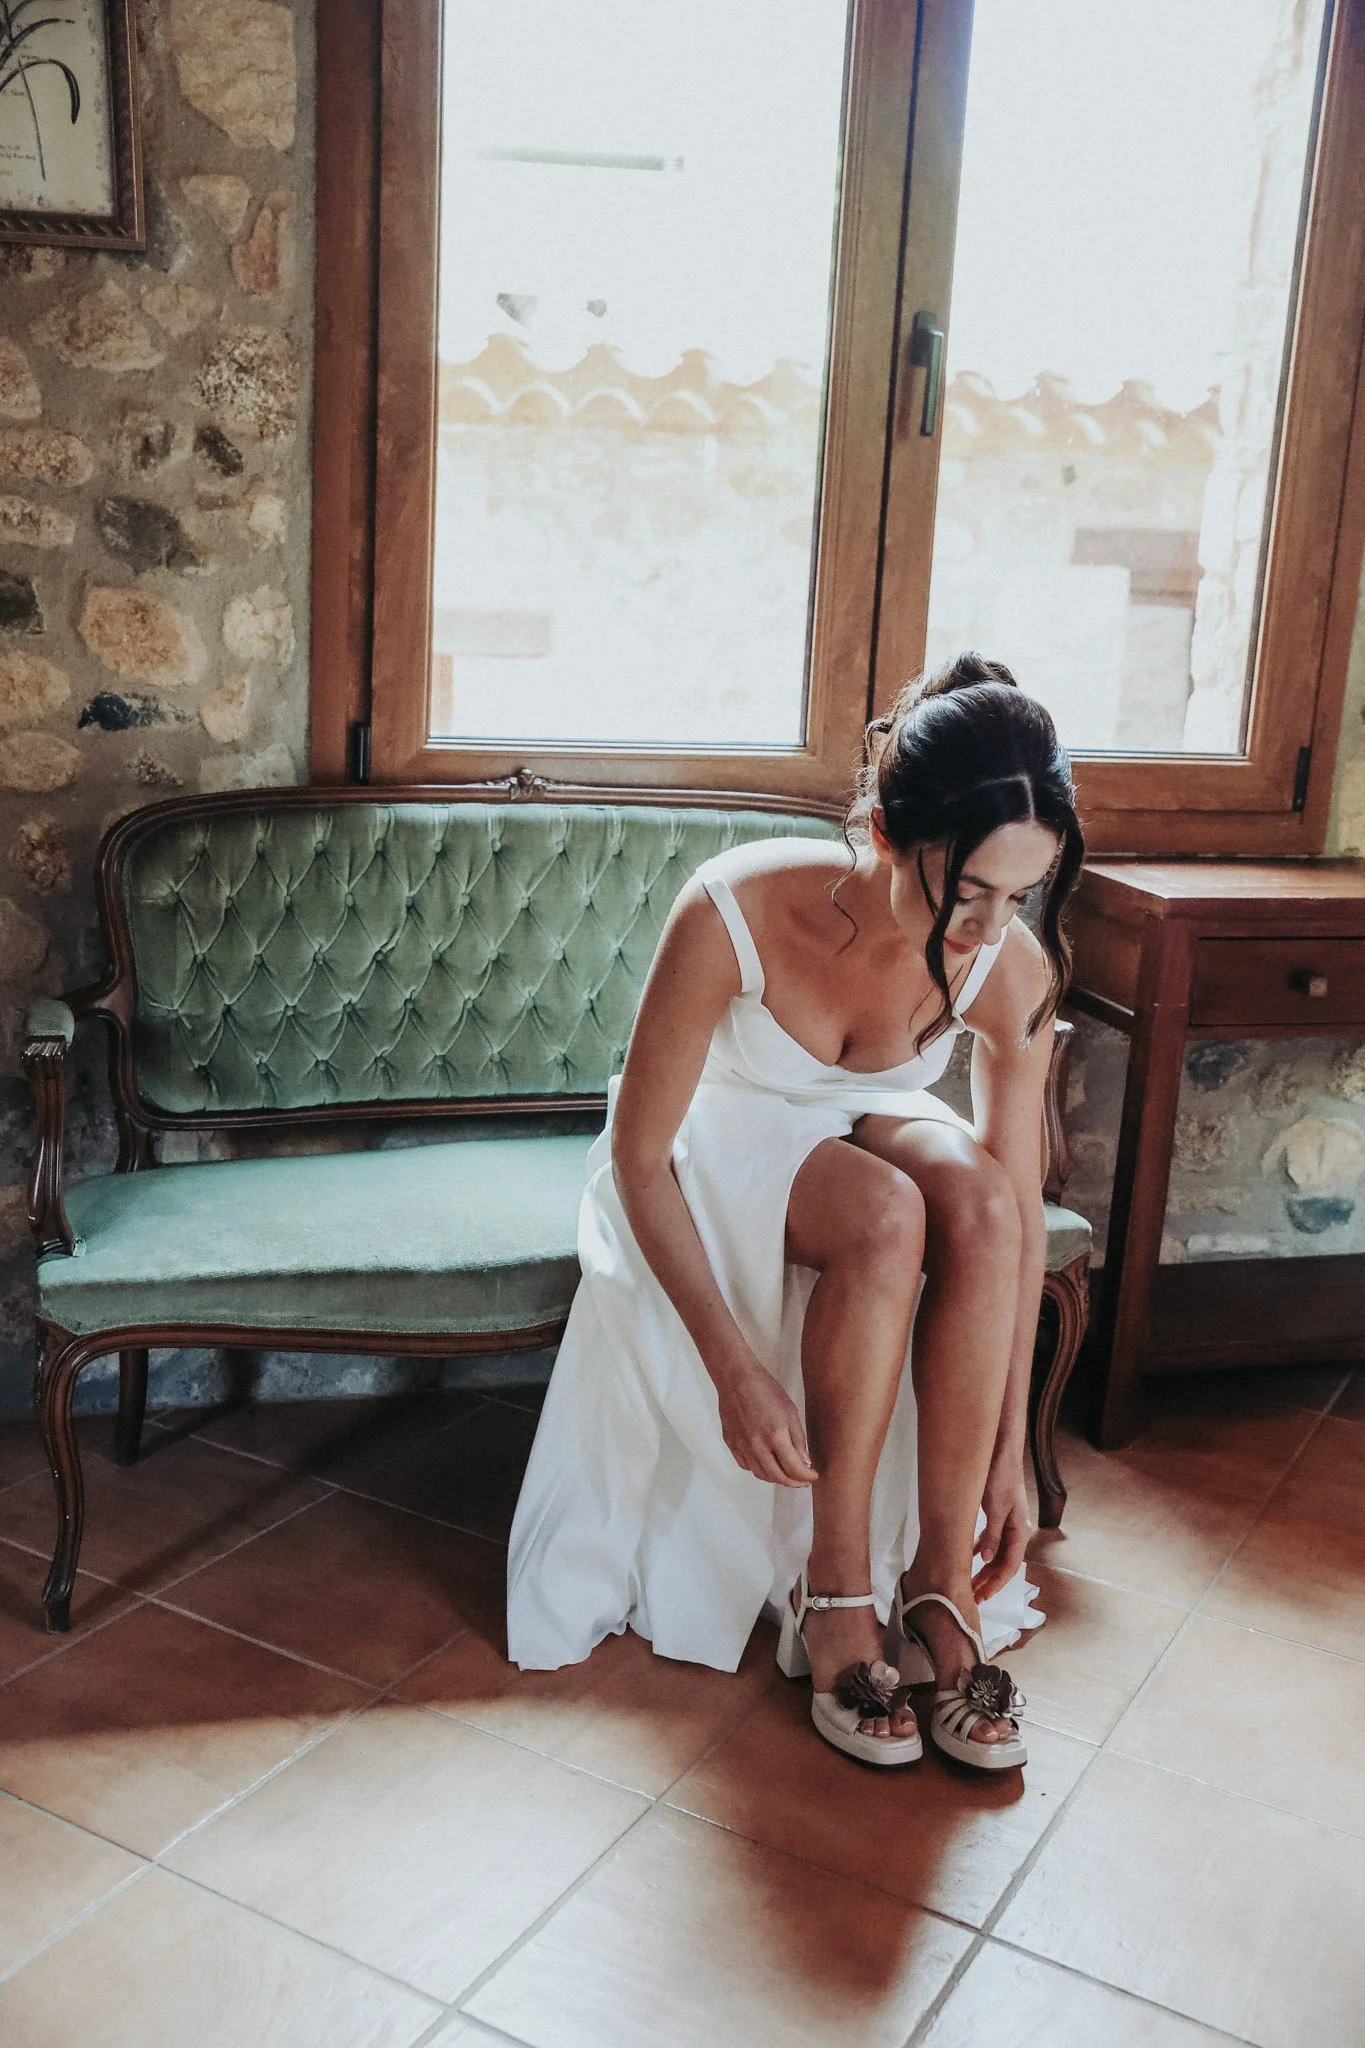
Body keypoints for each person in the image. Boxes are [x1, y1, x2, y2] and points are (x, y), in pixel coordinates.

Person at [507, 653, 1084, 1772]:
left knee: (971, 1198)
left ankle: (940, 1582)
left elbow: (1014, 1205)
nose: (987, 929)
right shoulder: (737, 906)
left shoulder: (1007, 966)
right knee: (881, 1215)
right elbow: (637, 1156)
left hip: (859, 1112)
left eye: (1020, 896)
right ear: (880, 830)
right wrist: (732, 1365)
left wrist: (1015, 1445)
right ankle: (836, 1590)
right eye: (964, 893)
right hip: (713, 1135)